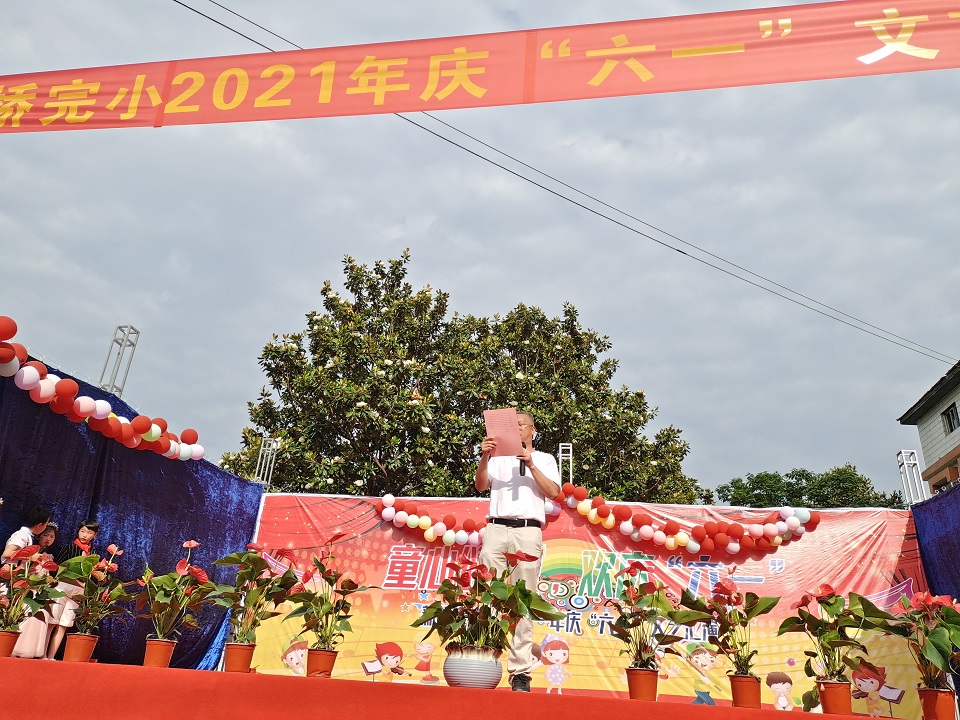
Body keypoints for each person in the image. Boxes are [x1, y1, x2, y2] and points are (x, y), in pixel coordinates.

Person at [475, 410, 560, 692]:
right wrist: (484, 456)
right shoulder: (497, 458)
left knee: (523, 601)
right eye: (513, 425)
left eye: (521, 425)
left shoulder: (545, 458)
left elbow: (553, 492)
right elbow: (480, 485)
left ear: (532, 430)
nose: (517, 429)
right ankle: (483, 658)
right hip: (496, 528)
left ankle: (520, 671)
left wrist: (531, 464)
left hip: (527, 530)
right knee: (489, 594)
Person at [46, 519, 99, 660]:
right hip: (63, 587)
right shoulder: (69, 548)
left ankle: (51, 656)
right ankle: (43, 654)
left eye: (89, 532)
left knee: (64, 624)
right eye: (82, 531)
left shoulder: (93, 554)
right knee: (52, 621)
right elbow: (57, 567)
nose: (84, 535)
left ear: (95, 535)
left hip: (78, 592)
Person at [12, 523, 58, 658]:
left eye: (52, 537)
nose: (48, 539)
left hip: (41, 590)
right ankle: (18, 648)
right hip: (28, 588)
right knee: (26, 616)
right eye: (45, 535)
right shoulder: (31, 552)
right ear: (39, 536)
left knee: (40, 617)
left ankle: (34, 650)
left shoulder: (49, 556)